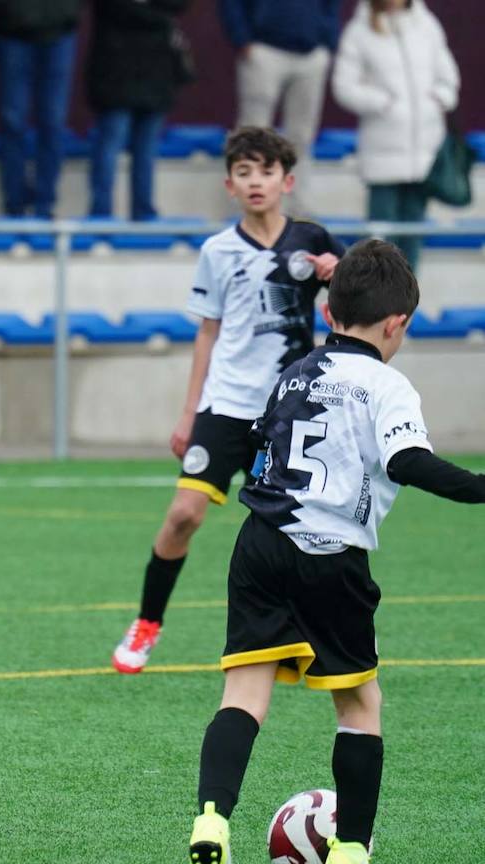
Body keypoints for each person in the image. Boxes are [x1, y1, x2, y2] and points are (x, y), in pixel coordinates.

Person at [186, 238, 485, 864]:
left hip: (260, 544)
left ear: (328, 312)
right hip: (332, 554)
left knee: (243, 698)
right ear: (396, 323)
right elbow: (408, 461)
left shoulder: (293, 372)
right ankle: (350, 855)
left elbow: (265, 451)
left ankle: (211, 823)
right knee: (359, 705)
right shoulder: (388, 382)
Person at [111, 127, 344, 674]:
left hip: (289, 410)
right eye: (244, 172)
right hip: (225, 407)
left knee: (291, 529)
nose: (254, 181)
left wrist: (336, 278)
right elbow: (208, 333)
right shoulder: (217, 251)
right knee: (183, 515)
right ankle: (147, 623)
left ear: (286, 181)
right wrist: (189, 413)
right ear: (229, 185)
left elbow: (348, 317)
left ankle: (296, 638)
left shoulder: (314, 239)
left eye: (265, 171)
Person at [331, 0, 460, 273]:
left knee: (413, 233)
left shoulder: (427, 25)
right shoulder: (359, 31)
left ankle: (407, 305)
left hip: (425, 154)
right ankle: (377, 304)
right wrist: (382, 102)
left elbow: (448, 76)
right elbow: (343, 85)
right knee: (380, 239)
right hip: (382, 154)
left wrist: (439, 98)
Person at [219, 0, 341, 218]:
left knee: (302, 135)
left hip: (311, 51)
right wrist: (242, 39)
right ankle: (247, 206)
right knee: (253, 135)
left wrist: (327, 41)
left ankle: (296, 207)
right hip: (264, 47)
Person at [85, 0, 191, 220]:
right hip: (115, 70)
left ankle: (143, 212)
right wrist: (152, 10)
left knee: (147, 148)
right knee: (110, 143)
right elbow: (114, 9)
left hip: (157, 71)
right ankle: (101, 215)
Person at [0, 0, 83, 218]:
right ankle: (14, 206)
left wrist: (67, 11)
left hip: (59, 31)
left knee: (53, 122)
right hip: (12, 31)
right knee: (13, 121)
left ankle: (45, 205)